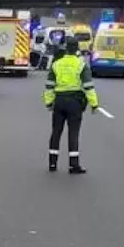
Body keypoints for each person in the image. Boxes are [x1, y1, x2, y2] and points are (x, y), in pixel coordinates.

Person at [43, 38, 100, 174]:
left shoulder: (57, 64)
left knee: (56, 132)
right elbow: (88, 86)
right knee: (73, 133)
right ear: (77, 49)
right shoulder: (81, 64)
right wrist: (94, 104)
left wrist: (49, 102)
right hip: (75, 102)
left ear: (66, 48)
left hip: (59, 101)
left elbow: (49, 85)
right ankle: (73, 165)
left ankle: (52, 163)